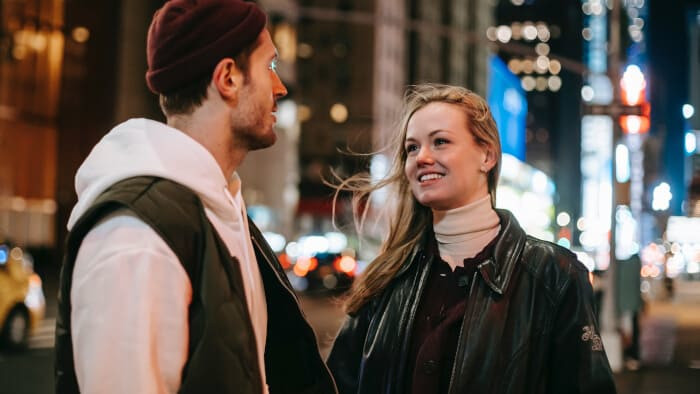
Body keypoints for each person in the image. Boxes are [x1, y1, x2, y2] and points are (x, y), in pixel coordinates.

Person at [54, 1, 336, 393]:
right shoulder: (136, 236)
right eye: (270, 67)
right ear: (228, 78)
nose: (281, 87)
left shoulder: (220, 206)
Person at [327, 84, 617, 394]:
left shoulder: (554, 275)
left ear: (487, 155)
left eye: (440, 142)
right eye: (412, 148)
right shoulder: (387, 276)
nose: (422, 157)